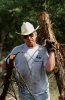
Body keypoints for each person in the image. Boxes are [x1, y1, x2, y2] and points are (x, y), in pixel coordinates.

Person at [0, 20, 55, 100]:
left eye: (31, 35)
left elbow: (49, 68)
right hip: (25, 94)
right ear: (22, 38)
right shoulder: (16, 51)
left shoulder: (42, 50)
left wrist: (52, 51)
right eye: (25, 36)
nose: (29, 38)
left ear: (35, 34)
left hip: (42, 94)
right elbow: (6, 62)